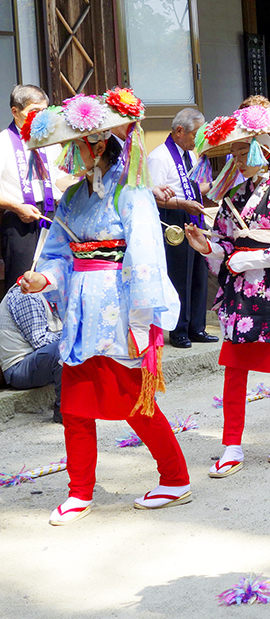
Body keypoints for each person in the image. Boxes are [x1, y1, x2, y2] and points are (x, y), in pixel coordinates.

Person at [19, 89, 189, 525]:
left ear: (97, 144)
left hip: (119, 311)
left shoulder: (132, 194)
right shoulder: (73, 198)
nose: (70, 154)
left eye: (76, 145)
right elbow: (58, 253)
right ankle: (79, 491)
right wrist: (44, 278)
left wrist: (143, 318)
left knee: (135, 403)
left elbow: (147, 257)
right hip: (79, 313)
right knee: (75, 408)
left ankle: (175, 478)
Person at [184, 104, 270, 478]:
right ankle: (231, 443)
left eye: (245, 151)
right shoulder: (232, 197)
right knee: (234, 368)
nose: (239, 160)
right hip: (241, 291)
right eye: (235, 153)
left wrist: (254, 259)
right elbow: (225, 244)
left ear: (265, 148)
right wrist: (206, 248)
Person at [148, 108, 217, 349]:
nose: (198, 140)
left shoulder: (191, 155)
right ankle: (178, 331)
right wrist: (181, 203)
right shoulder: (159, 156)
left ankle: (196, 327)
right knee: (179, 276)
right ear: (180, 131)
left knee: (199, 273)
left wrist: (222, 183)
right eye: (195, 134)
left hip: (192, 214)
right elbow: (153, 196)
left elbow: (197, 189)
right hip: (173, 218)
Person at [1, 85, 70, 295]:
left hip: (51, 215)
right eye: (34, 111)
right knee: (23, 281)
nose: (40, 117)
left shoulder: (49, 140)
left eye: (44, 111)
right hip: (20, 218)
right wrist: (16, 207)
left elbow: (60, 179)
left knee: (53, 276)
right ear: (15, 111)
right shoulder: (3, 141)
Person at [0, 284, 62, 422]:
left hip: (41, 360)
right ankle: (65, 412)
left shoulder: (55, 292)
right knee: (65, 348)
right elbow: (39, 340)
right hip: (18, 368)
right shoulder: (29, 294)